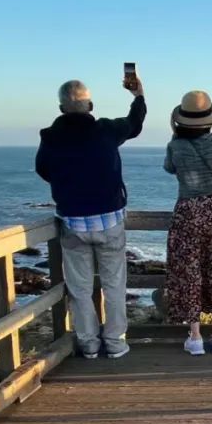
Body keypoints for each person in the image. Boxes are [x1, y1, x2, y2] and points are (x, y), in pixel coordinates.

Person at [36, 76, 146, 360]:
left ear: (62, 108)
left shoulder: (51, 137)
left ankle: (89, 344)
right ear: (91, 105)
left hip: (73, 223)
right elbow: (134, 124)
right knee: (114, 285)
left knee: (80, 289)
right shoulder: (106, 130)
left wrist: (68, 183)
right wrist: (138, 96)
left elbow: (43, 169)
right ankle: (115, 343)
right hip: (110, 221)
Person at [163, 64, 212, 356]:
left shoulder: (176, 146)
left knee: (190, 273)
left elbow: (170, 168)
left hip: (187, 212)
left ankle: (195, 337)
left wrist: (176, 135)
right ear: (209, 120)